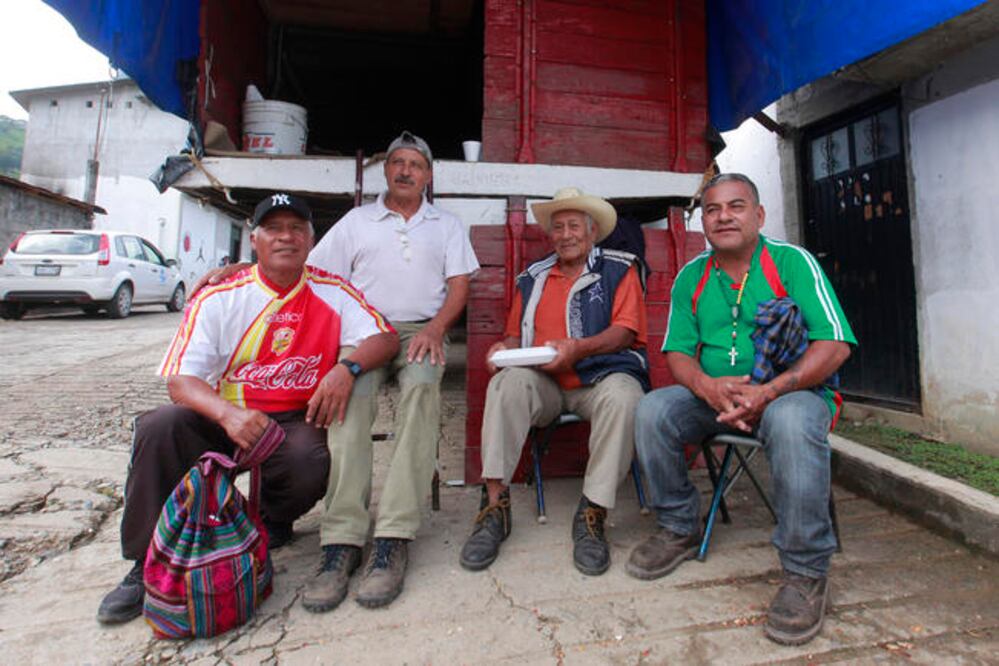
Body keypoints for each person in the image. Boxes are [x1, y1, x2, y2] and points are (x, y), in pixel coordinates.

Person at [196, 131, 479, 611]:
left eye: (415, 164)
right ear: (385, 172)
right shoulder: (356, 221)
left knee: (422, 392)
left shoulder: (447, 225)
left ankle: (393, 536)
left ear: (429, 175)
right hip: (363, 331)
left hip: (418, 332)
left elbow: (458, 288)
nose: (406, 171)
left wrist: (436, 329)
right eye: (397, 163)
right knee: (347, 401)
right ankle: (342, 538)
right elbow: (305, 267)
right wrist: (242, 269)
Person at [96, 193, 398, 625]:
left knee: (310, 456)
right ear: (254, 240)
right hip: (223, 413)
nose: (286, 238)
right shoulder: (219, 295)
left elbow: (384, 338)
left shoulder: (333, 291)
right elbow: (181, 381)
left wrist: (346, 369)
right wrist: (227, 415)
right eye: (274, 229)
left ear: (311, 240)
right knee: (160, 427)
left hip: (292, 419)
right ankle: (145, 562)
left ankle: (271, 523)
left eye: (297, 229)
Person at [625, 173, 856, 646]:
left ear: (758, 215)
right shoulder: (692, 276)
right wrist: (706, 387)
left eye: (736, 206)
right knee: (652, 410)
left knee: (792, 422)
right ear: (703, 221)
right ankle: (679, 527)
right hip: (714, 398)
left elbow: (835, 345)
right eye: (713, 209)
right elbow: (677, 355)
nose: (724, 216)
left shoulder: (792, 263)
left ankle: (805, 571)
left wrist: (769, 392)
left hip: (792, 393)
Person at [459, 187, 649, 576]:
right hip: (546, 384)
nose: (565, 234)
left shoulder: (619, 267)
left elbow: (626, 332)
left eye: (574, 226)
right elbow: (515, 337)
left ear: (592, 231)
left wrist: (579, 348)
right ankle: (494, 505)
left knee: (626, 396)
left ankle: (593, 512)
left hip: (600, 379)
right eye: (558, 227)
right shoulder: (532, 277)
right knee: (506, 383)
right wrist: (502, 348)